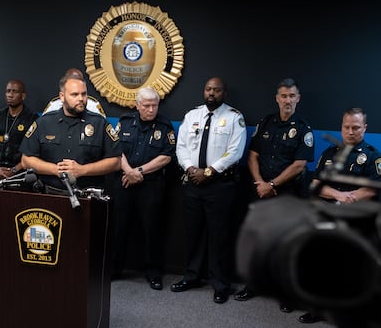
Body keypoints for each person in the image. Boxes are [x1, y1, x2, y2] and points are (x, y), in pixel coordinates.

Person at [298, 107, 381, 323]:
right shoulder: (329, 154)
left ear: (364, 128)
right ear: (341, 127)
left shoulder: (373, 155)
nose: (351, 131)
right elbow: (317, 183)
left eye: (356, 127)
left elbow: (374, 188)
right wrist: (338, 195)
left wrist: (349, 198)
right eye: (346, 127)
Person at [235, 77, 314, 313]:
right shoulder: (266, 123)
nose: (287, 100)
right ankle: (252, 285)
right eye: (283, 96)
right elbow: (252, 156)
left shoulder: (303, 128)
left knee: (286, 245)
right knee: (256, 241)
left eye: (292, 96)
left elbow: (300, 165)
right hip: (260, 192)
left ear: (298, 98)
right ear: (277, 98)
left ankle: (286, 293)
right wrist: (260, 183)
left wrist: (271, 184)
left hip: (287, 194)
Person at [172, 77, 247, 304]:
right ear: (203, 91)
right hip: (193, 183)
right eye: (208, 89)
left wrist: (210, 171)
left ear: (224, 93)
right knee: (192, 234)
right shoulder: (192, 116)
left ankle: (220, 284)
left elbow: (235, 151)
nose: (211, 93)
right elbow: (181, 146)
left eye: (216, 90)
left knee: (219, 237)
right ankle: (192, 277)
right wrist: (190, 168)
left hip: (220, 186)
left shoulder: (234, 117)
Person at [109, 87, 176, 290]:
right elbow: (116, 149)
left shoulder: (165, 126)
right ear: (137, 105)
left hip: (151, 186)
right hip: (124, 182)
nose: (150, 109)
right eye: (146, 105)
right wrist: (128, 171)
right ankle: (115, 268)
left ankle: (153, 272)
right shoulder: (125, 122)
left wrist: (138, 172)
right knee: (119, 227)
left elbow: (166, 156)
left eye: (154, 105)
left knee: (151, 230)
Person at [19, 72, 121, 191]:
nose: (81, 99)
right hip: (50, 194)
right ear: (62, 96)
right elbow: (26, 160)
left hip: (88, 195)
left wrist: (82, 170)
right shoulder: (44, 122)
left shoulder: (100, 123)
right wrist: (56, 170)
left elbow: (116, 162)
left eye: (84, 94)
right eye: (75, 94)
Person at [0, 79, 38, 265]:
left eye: (14, 91)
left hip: (20, 175)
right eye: (7, 91)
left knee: (20, 215)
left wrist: (15, 170)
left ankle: (20, 254)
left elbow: (33, 152)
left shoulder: (32, 119)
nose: (10, 94)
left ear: (23, 96)